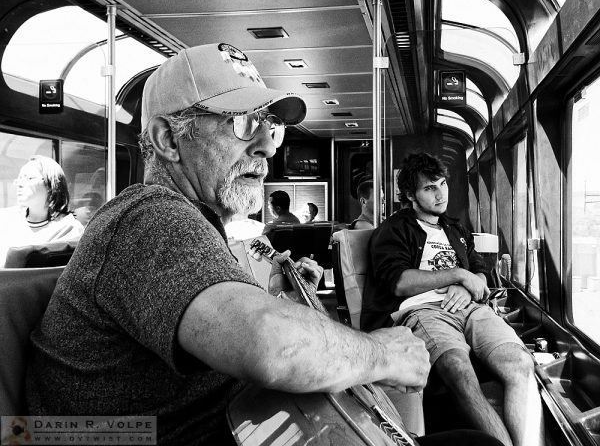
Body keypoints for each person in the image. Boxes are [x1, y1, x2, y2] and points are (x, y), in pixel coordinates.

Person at [26, 43, 502, 446]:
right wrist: (382, 352)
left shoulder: (196, 225)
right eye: (240, 124)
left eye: (266, 124)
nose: (267, 147)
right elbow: (271, 346)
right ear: (168, 139)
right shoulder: (147, 215)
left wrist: (277, 284)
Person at [362, 152, 544, 446]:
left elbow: (480, 272)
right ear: (410, 194)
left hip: (471, 307)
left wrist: (469, 284)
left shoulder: (455, 229)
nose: (440, 193)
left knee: (521, 363)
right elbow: (399, 282)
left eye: (443, 184)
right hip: (424, 309)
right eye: (429, 188)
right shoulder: (394, 230)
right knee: (459, 371)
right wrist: (457, 275)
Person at [0, 155, 84, 266]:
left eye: (29, 178)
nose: (20, 184)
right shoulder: (5, 219)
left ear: (50, 185)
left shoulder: (69, 228)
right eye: (19, 178)